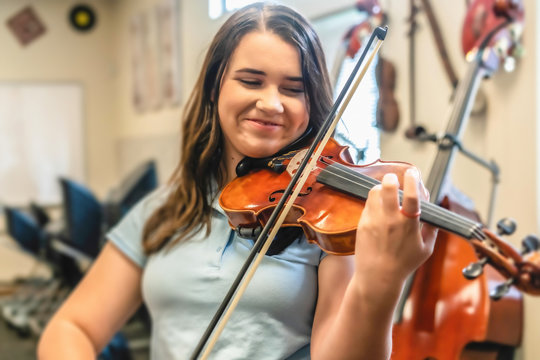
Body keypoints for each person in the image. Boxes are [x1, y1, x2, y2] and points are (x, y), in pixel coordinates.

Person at [37, 2, 437, 359]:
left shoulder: (327, 222)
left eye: (293, 89)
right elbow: (72, 327)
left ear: (311, 103)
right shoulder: (163, 209)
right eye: (251, 81)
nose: (271, 103)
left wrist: (380, 284)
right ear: (215, 87)